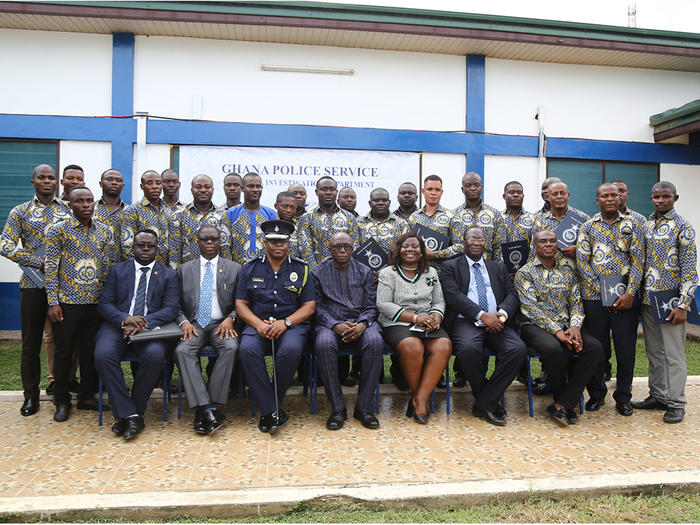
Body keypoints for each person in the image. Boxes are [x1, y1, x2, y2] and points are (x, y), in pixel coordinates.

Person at [0, 164, 72, 416]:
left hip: (64, 287)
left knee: (63, 344)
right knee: (30, 344)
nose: (47, 181)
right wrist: (34, 260)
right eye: (42, 177)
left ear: (57, 183)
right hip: (32, 285)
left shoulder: (68, 210)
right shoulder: (20, 212)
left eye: (51, 178)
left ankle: (61, 397)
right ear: (33, 182)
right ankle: (31, 396)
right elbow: (5, 244)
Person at [94, 229, 179, 440]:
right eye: (141, 245)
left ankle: (130, 412)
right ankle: (130, 414)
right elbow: (104, 304)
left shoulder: (168, 274)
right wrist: (125, 319)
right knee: (103, 355)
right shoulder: (117, 271)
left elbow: (171, 308)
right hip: (117, 326)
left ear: (157, 248)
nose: (146, 249)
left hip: (150, 329)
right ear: (133, 247)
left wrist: (142, 322)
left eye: (151, 245)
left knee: (155, 356)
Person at [235, 220, 316, 433]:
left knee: (290, 350)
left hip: (292, 324)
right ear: (265, 243)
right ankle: (272, 410)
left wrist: (286, 322)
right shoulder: (250, 268)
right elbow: (241, 304)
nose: (278, 246)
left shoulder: (302, 268)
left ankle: (267, 408)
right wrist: (256, 325)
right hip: (258, 323)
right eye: (273, 241)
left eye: (282, 242)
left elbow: (309, 306)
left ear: (289, 243)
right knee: (246, 350)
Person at [515, 230, 603, 426]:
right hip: (535, 326)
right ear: (535, 247)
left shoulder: (567, 271)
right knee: (552, 349)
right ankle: (565, 402)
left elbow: (576, 303)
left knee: (594, 347)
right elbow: (531, 309)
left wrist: (575, 327)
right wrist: (557, 332)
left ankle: (562, 404)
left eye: (552, 241)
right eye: (543, 241)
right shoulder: (525, 273)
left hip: (567, 326)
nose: (548, 244)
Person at [441, 227, 526, 426]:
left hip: (498, 321)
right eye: (472, 239)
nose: (477, 243)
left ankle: (484, 401)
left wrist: (501, 315)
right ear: (463, 243)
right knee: (468, 350)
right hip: (466, 321)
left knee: (517, 349)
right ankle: (488, 400)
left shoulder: (498, 267)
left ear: (485, 244)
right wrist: (481, 315)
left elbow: (512, 294)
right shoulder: (450, 266)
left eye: (481, 239)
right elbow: (453, 296)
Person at [45, 187, 117, 422]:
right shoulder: (59, 230)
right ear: (70, 205)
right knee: (64, 353)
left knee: (89, 352)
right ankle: (62, 400)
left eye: (89, 201)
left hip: (95, 304)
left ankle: (87, 396)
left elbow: (107, 267)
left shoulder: (104, 231)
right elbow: (51, 268)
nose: (86, 205)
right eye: (80, 201)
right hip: (67, 303)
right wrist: (52, 302)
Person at [632, 181, 697, 424]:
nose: (660, 201)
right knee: (654, 352)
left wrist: (683, 304)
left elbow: (690, 270)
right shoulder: (647, 225)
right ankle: (658, 396)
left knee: (673, 354)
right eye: (656, 197)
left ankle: (676, 402)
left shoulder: (683, 227)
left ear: (675, 198)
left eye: (665, 197)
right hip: (649, 299)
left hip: (671, 300)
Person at [576, 183, 645, 415]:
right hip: (595, 299)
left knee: (626, 349)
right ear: (597, 200)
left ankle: (623, 397)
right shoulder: (588, 227)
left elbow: (638, 262)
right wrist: (601, 291)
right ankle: (596, 395)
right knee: (597, 348)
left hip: (625, 299)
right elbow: (583, 262)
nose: (610, 199)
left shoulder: (633, 225)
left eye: (614, 195)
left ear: (620, 198)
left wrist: (629, 293)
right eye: (604, 196)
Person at [376, 232, 451, 424]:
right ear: (398, 250)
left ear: (422, 251)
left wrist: (435, 316)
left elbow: (439, 301)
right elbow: (384, 304)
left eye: (415, 246)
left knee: (443, 346)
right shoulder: (387, 273)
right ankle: (420, 399)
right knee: (413, 346)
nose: (410, 249)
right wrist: (416, 317)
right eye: (405, 246)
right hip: (397, 323)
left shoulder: (431, 273)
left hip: (427, 321)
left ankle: (419, 398)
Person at [312, 233, 383, 430]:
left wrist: (362, 324)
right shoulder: (317, 272)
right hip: (330, 324)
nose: (342, 250)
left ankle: (364, 408)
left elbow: (372, 305)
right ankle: (337, 409)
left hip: (361, 322)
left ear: (353, 250)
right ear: (329, 249)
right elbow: (316, 306)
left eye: (347, 247)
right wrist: (335, 324)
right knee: (323, 344)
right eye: (337, 247)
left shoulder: (365, 271)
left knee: (375, 342)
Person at [175, 225, 241, 435]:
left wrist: (231, 318)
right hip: (194, 324)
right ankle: (208, 408)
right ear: (198, 242)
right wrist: (183, 321)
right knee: (182, 351)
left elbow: (243, 302)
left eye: (214, 239)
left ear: (220, 242)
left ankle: (206, 406)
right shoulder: (184, 269)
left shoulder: (234, 268)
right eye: (205, 239)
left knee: (231, 347)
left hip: (222, 324)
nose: (210, 243)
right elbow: (173, 304)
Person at [358, 187, 409, 390]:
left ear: (390, 202)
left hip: (395, 282)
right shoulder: (359, 223)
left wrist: (388, 272)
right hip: (365, 283)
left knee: (395, 324)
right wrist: (368, 273)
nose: (380, 203)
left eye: (384, 200)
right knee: (370, 324)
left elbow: (405, 251)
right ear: (370, 203)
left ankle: (399, 373)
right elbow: (354, 250)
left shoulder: (401, 224)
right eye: (376, 200)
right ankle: (373, 374)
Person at [170, 174, 233, 265]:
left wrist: (226, 273)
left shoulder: (223, 215)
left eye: (207, 187)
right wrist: (176, 276)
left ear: (213, 190)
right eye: (198, 187)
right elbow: (174, 250)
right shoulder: (178, 216)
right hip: (188, 273)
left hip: (215, 272)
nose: (203, 190)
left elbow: (225, 247)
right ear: (192, 190)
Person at [297, 176, 359, 266]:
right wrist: (315, 273)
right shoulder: (306, 218)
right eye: (324, 189)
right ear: (316, 192)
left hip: (345, 273)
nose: (328, 192)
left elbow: (354, 246)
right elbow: (306, 250)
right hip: (317, 274)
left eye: (332, 189)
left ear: (336, 192)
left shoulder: (349, 217)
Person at [531, 181, 589, 271]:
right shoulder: (539, 220)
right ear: (549, 197)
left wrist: (577, 250)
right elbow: (533, 250)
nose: (559, 197)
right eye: (555, 194)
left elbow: (593, 247)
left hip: (574, 276)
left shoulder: (583, 219)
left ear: (568, 195)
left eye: (563, 193)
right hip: (547, 275)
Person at [452, 172, 507, 263]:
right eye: (468, 185)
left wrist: (496, 270)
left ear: (481, 187)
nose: (472, 188)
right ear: (462, 189)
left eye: (476, 185)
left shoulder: (495, 214)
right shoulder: (454, 215)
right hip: (460, 269)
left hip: (488, 267)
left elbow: (499, 246)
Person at [407, 175, 462, 266]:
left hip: (443, 271)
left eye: (437, 190)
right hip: (417, 270)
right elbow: (407, 243)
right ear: (423, 191)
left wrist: (435, 254)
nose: (433, 193)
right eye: (429, 189)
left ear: (441, 192)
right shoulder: (414, 217)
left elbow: (459, 246)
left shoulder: (452, 216)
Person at [122, 170, 170, 265]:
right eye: (149, 183)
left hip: (165, 271)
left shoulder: (169, 211)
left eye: (158, 183)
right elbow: (127, 246)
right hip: (142, 269)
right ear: (142, 186)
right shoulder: (133, 210)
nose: (155, 186)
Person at [227, 172, 276, 264]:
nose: (255, 190)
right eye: (250, 186)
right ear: (242, 188)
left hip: (264, 269)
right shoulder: (230, 214)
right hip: (237, 270)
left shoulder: (271, 215)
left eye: (258, 186)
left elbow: (275, 246)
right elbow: (225, 246)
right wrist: (229, 271)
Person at [94, 168, 127, 262]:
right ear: (101, 184)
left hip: (121, 268)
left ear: (123, 185)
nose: (114, 182)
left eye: (118, 180)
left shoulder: (130, 212)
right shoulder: (90, 210)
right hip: (96, 267)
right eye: (109, 179)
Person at [274, 191, 300, 257]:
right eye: (285, 206)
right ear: (276, 206)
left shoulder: (300, 228)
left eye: (293, 208)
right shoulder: (268, 227)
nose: (289, 210)